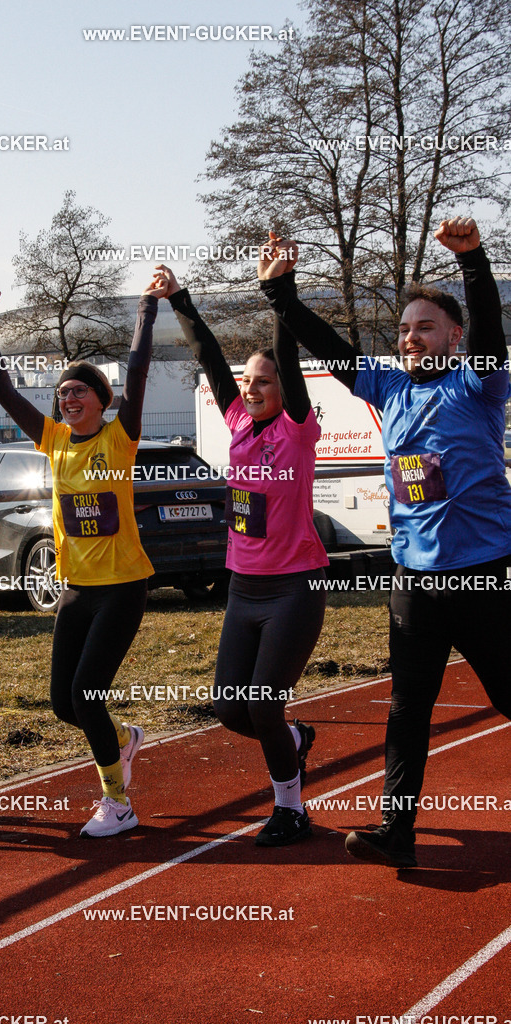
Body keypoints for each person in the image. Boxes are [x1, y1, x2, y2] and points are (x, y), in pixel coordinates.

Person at [263, 217, 511, 867]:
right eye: (403, 328)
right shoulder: (388, 385)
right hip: (414, 580)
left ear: (452, 337)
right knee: (406, 710)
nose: (409, 336)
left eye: (423, 326)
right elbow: (331, 350)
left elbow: (489, 330)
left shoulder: (477, 383)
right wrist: (282, 296)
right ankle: (394, 829)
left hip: (483, 573)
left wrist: (472, 261)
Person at [0, 274, 168, 837]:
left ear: (100, 401)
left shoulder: (118, 438)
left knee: (86, 694)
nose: (68, 398)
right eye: (62, 393)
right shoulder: (54, 440)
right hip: (75, 591)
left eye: (79, 391)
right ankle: (125, 741)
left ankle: (119, 804)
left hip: (124, 588)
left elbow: (137, 370)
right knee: (64, 704)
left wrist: (147, 309)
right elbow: (6, 392)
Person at [157, 250, 327, 848]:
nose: (253, 388)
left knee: (261, 706)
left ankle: (291, 808)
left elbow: (287, 358)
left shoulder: (298, 429)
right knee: (231, 709)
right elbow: (208, 359)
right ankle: (296, 739)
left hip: (294, 587)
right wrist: (180, 300)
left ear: (285, 388)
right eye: (249, 381)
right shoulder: (236, 422)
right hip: (243, 587)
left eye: (265, 380)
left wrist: (281, 290)